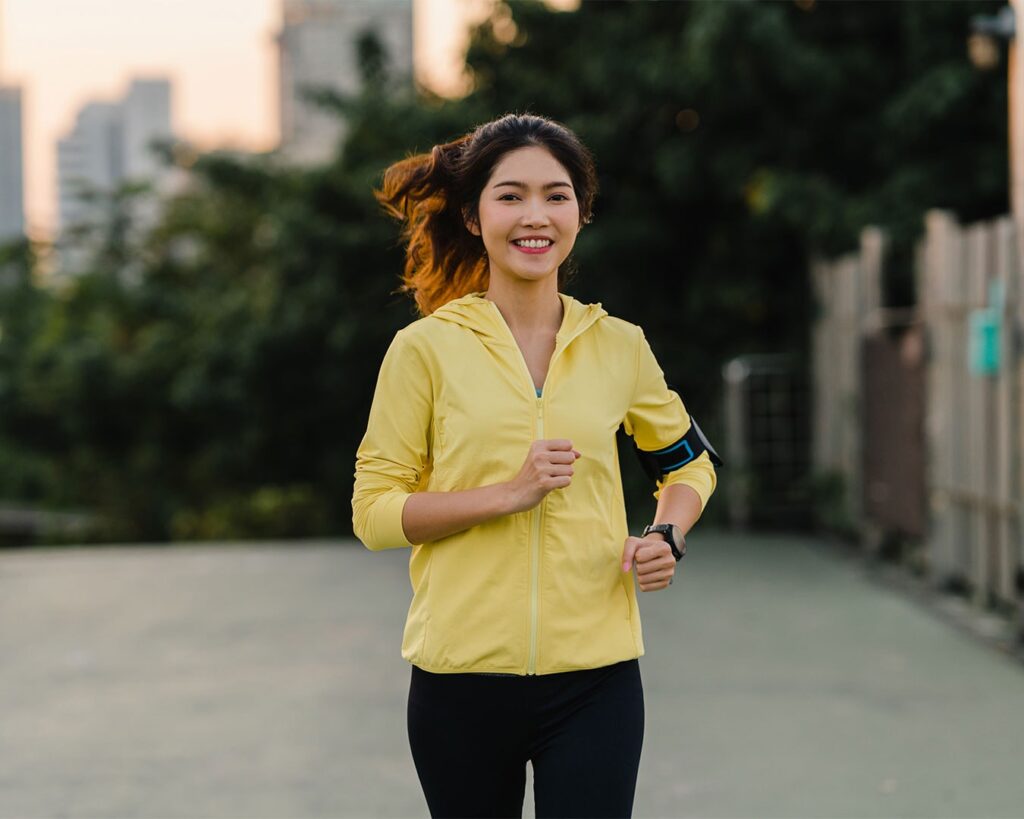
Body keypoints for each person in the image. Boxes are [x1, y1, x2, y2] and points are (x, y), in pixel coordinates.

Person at [352, 113, 720, 819]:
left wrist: (667, 533)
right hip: (459, 680)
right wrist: (507, 493)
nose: (535, 216)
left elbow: (687, 462)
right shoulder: (424, 350)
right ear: (472, 213)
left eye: (556, 195)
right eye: (510, 195)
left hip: (596, 679)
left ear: (582, 211)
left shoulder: (619, 346)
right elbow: (374, 514)